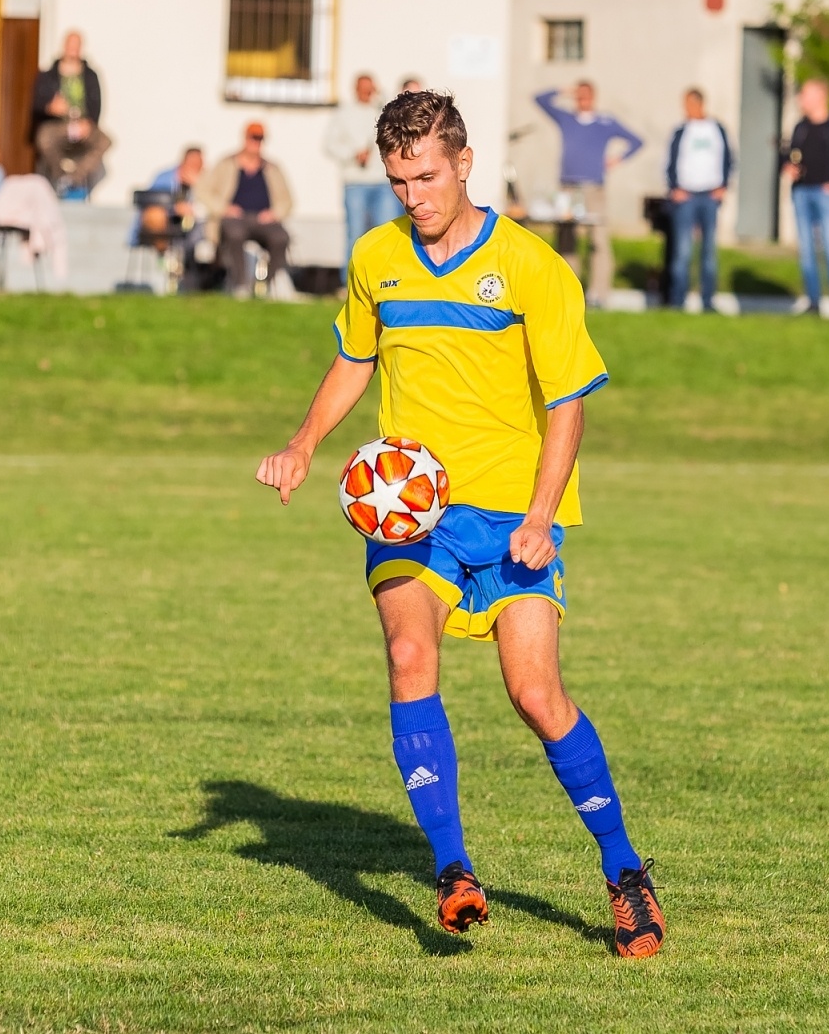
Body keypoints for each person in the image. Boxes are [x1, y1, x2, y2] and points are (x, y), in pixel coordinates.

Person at [254, 90, 665, 958]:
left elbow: (567, 406)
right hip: (411, 509)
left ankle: (625, 870)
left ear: (465, 162)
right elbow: (352, 360)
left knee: (536, 695)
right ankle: (453, 870)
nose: (414, 197)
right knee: (409, 655)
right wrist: (300, 443)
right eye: (399, 179)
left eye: (428, 176)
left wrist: (545, 517)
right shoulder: (377, 258)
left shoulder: (531, 267)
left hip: (517, 511)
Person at [534, 81, 643, 308]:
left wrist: (617, 159)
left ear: (594, 97)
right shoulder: (567, 119)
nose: (582, 101)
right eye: (579, 96)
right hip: (568, 188)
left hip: (594, 187)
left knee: (598, 239)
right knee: (566, 239)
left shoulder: (605, 122)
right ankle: (567, 288)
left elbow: (636, 141)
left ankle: (599, 294)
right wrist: (565, 90)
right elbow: (540, 99)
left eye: (586, 96)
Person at [782, 79, 829, 316]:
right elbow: (788, 155)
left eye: (804, 94)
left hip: (826, 195)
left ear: (820, 96)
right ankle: (813, 302)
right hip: (802, 193)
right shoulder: (800, 128)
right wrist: (787, 167)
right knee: (807, 250)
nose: (800, 99)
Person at [325, 73, 402, 284]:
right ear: (355, 89)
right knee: (355, 235)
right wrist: (352, 153)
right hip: (355, 183)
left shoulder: (381, 111)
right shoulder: (344, 114)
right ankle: (349, 284)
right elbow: (330, 144)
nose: (368, 92)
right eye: (364, 88)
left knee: (387, 234)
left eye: (371, 88)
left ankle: (385, 282)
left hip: (382, 183)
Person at [199, 123, 291, 298]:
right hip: (234, 218)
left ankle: (267, 284)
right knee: (235, 234)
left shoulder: (272, 168)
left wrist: (275, 213)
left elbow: (287, 200)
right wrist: (223, 208)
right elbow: (203, 190)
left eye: (259, 139)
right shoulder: (226, 163)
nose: (255, 142)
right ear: (245, 138)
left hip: (264, 219)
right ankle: (240, 285)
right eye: (253, 138)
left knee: (281, 237)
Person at [664, 88, 733, 311]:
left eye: (688, 104)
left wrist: (723, 186)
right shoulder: (681, 130)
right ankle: (677, 300)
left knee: (708, 252)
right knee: (682, 251)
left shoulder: (716, 129)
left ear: (699, 104)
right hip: (686, 195)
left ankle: (707, 301)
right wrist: (674, 187)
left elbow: (728, 158)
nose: (685, 109)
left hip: (709, 196)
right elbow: (670, 160)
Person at [31, 31, 111, 199]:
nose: (73, 50)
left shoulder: (90, 76)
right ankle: (60, 177)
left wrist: (88, 124)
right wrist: (50, 108)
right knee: (44, 138)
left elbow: (97, 105)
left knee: (105, 141)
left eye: (77, 46)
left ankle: (74, 179)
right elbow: (36, 104)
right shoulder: (48, 75)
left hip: (83, 125)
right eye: (70, 45)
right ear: (64, 46)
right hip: (58, 125)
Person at [133, 147, 205, 289]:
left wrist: (198, 186)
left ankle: (194, 274)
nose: (194, 169)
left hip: (194, 228)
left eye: (198, 165)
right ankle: (164, 257)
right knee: (155, 216)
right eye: (192, 164)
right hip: (165, 225)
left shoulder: (204, 181)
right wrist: (175, 207)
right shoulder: (164, 177)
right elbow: (151, 204)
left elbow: (211, 206)